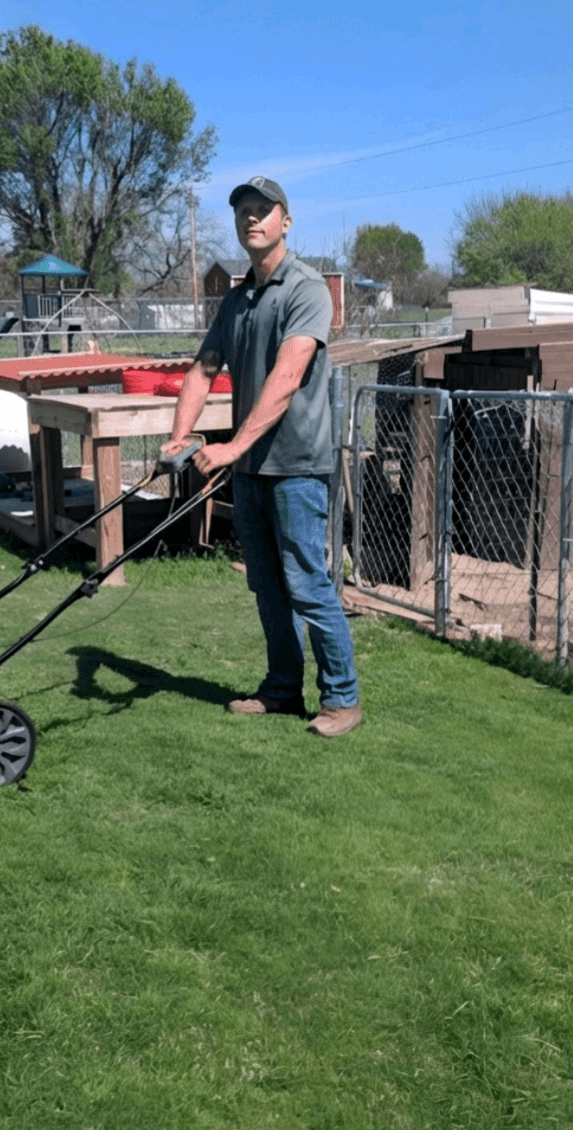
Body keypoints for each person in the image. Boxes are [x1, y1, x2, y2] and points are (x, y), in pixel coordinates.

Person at [163, 175, 361, 737]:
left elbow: (288, 375)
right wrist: (182, 437)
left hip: (297, 466)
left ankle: (342, 700)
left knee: (306, 584)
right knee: (266, 585)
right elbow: (203, 370)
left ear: (285, 222)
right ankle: (280, 691)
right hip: (250, 471)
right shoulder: (237, 297)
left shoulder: (307, 289)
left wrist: (231, 445)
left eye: (263, 211)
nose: (252, 219)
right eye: (243, 212)